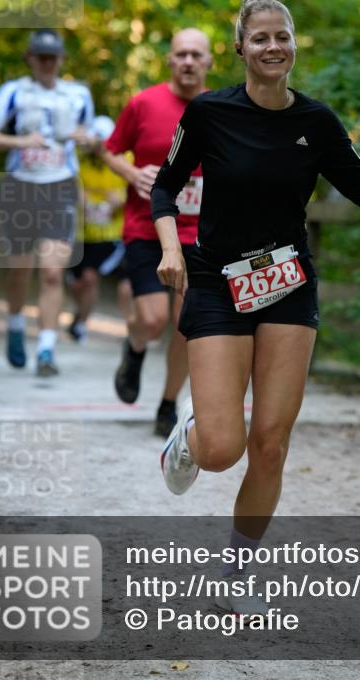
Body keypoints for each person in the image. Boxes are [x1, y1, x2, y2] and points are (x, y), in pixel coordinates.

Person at [152, 0, 360, 615]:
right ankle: (190, 435)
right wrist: (170, 250)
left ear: (294, 44)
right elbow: (165, 189)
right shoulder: (209, 112)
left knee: (271, 443)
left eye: (283, 37)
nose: (273, 47)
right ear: (239, 48)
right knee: (223, 450)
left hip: (287, 285)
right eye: (261, 38)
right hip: (218, 283)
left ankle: (237, 567)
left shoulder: (317, 122)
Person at [102, 29, 213, 437]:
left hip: (199, 233)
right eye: (181, 54)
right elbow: (109, 150)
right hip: (146, 227)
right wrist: (132, 174)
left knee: (187, 323)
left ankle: (168, 403)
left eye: (196, 55)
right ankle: (135, 348)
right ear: (169, 60)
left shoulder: (220, 108)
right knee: (152, 320)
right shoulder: (143, 103)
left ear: (209, 62)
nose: (188, 61)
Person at [0, 29, 94, 376]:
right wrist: (20, 141)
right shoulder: (13, 91)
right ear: (29, 58)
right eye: (40, 57)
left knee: (53, 273)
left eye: (52, 57)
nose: (47, 63)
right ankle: (15, 325)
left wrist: (87, 140)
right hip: (21, 188)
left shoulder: (79, 95)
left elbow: (91, 139)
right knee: (19, 270)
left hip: (60, 188)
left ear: (61, 59)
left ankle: (46, 350)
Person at [66, 115, 132, 344]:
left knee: (90, 277)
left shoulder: (125, 160)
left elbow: (138, 189)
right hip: (81, 234)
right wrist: (80, 199)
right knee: (75, 283)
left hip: (111, 235)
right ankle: (80, 312)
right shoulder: (79, 159)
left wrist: (121, 199)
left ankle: (81, 325)